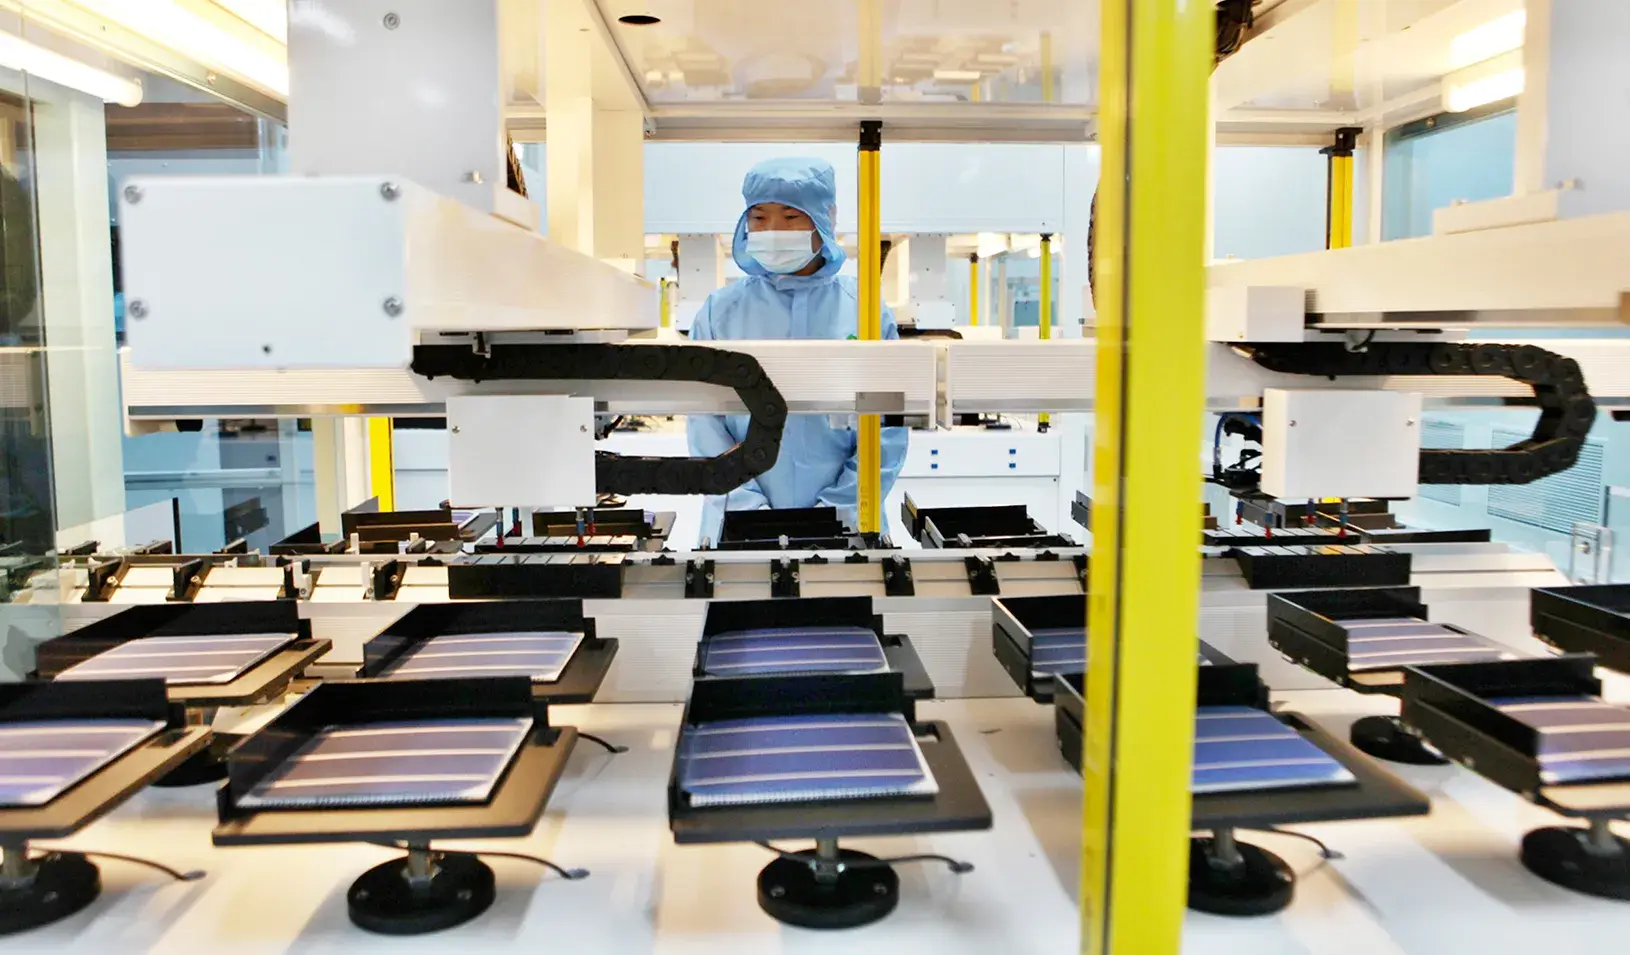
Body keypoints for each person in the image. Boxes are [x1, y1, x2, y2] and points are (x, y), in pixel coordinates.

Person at [687, 157, 908, 543]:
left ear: (825, 220)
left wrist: (837, 511)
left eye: (790, 217)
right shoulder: (719, 311)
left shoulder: (866, 310)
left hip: (849, 525)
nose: (773, 231)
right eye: (759, 218)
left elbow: (887, 428)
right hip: (739, 526)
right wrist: (749, 512)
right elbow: (704, 426)